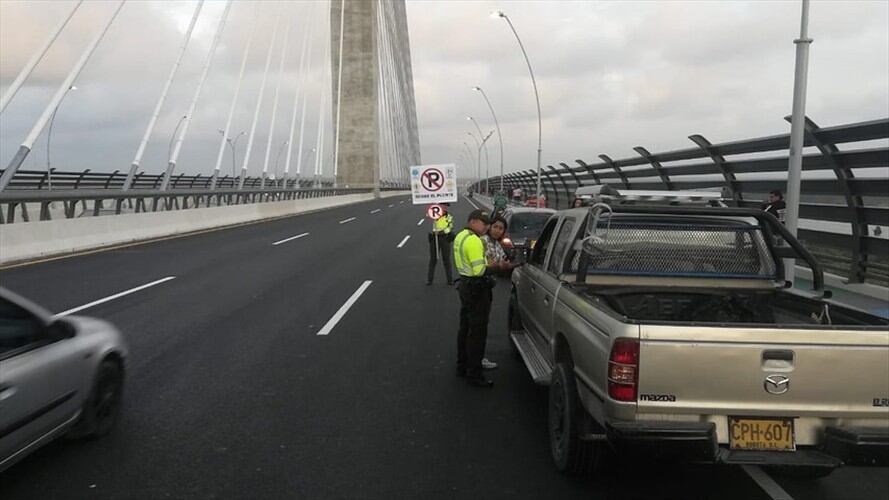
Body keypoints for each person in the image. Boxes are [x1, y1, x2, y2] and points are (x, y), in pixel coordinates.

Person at [454, 210, 509, 387]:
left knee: (465, 328)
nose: (486, 226)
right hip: (476, 289)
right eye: (483, 223)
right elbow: (479, 270)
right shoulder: (474, 241)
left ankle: (462, 365)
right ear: (472, 221)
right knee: (477, 333)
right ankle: (475, 374)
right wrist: (499, 266)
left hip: (465, 285)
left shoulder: (461, 236)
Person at [479, 216, 514, 371]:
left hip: (486, 286)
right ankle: (476, 360)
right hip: (478, 286)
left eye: (501, 228)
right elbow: (488, 264)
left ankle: (473, 358)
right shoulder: (483, 241)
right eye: (496, 227)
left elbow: (501, 261)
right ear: (489, 227)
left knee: (480, 324)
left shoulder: (496, 244)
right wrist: (498, 265)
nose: (498, 230)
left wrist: (504, 265)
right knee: (478, 326)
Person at [427, 203, 454, 285]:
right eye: (443, 206)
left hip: (445, 238)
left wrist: (441, 231)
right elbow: (427, 216)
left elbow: (450, 227)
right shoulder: (434, 214)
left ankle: (450, 280)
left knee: (446, 260)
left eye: (446, 206)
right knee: (433, 260)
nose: (445, 208)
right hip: (434, 238)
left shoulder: (449, 217)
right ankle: (429, 280)